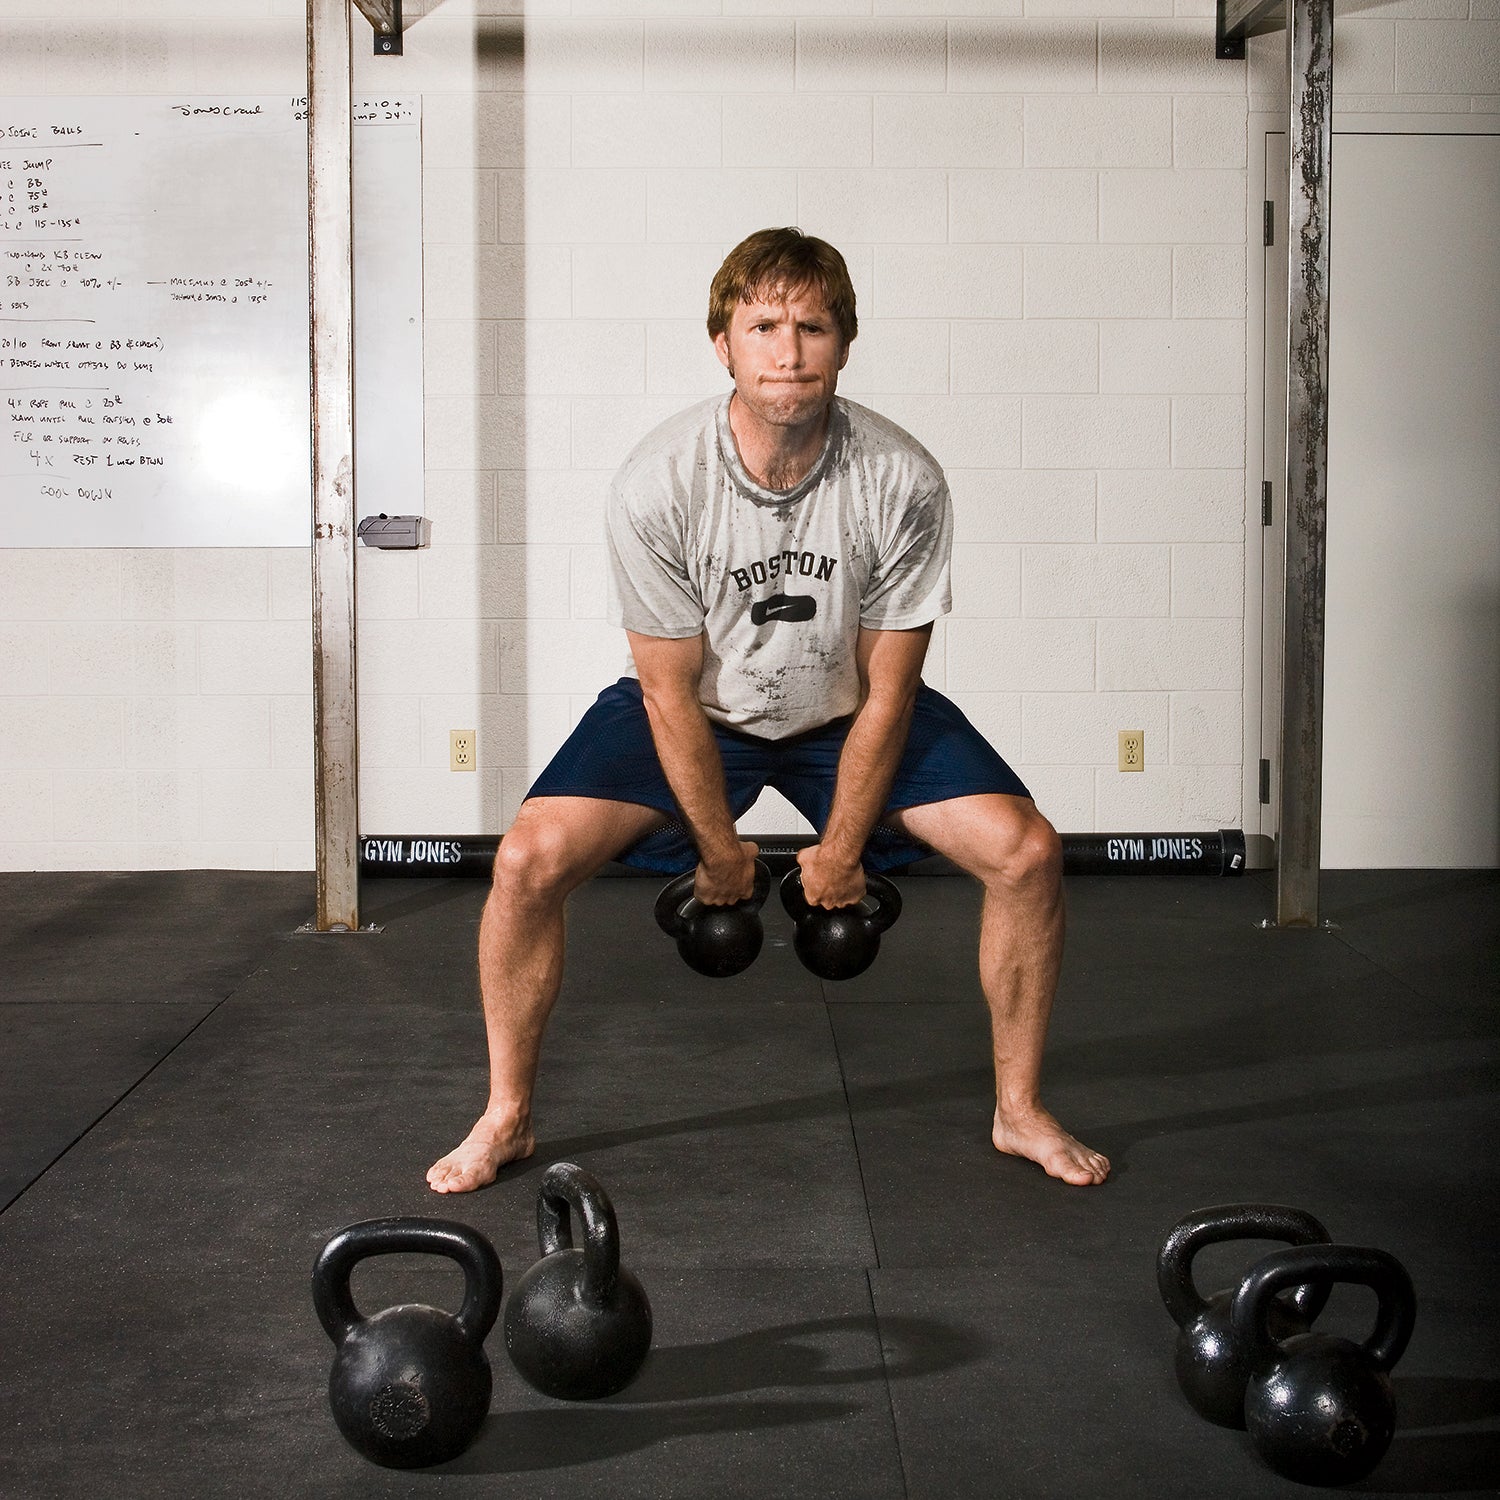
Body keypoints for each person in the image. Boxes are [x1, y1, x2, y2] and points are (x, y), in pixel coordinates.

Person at [428, 227, 1109, 1195]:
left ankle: (1020, 1111)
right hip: (702, 707)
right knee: (529, 859)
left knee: (1029, 854)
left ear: (845, 342)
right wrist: (719, 854)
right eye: (764, 326)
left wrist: (838, 852)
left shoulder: (901, 478)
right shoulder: (660, 481)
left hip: (849, 706)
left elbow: (892, 689)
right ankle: (507, 1115)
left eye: (813, 328)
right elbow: (666, 691)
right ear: (724, 343)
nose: (788, 353)